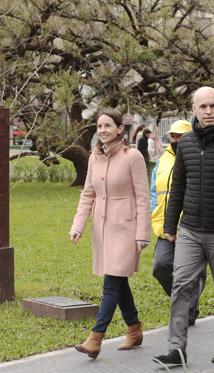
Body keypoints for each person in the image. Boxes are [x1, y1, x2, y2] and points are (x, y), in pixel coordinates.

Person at [152, 86, 214, 366]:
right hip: (189, 230)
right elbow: (179, 186)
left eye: (213, 106)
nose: (208, 111)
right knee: (181, 285)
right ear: (193, 109)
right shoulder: (185, 143)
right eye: (203, 107)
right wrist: (170, 225)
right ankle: (176, 349)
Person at [69, 109, 151, 359]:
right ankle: (134, 329)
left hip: (126, 227)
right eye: (99, 126)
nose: (103, 130)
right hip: (102, 227)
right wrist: (78, 225)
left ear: (119, 129)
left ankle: (96, 337)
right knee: (118, 279)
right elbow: (88, 194)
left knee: (111, 282)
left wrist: (142, 233)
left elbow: (143, 197)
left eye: (108, 125)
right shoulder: (95, 158)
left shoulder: (133, 156)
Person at [150, 119, 206, 327]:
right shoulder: (163, 160)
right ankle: (184, 297)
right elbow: (154, 191)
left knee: (187, 271)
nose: (176, 140)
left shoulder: (198, 156)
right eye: (173, 136)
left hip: (190, 226)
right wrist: (154, 209)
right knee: (161, 265)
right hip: (165, 226)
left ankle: (188, 309)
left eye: (180, 136)